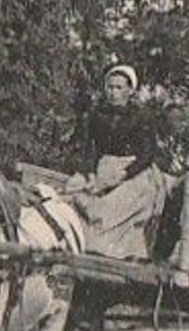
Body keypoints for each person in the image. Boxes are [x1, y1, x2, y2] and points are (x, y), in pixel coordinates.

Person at [67, 65, 168, 260]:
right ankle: (76, 238)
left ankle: (100, 243)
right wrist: (89, 173)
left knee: (116, 203)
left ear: (130, 91)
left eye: (119, 88)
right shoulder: (97, 115)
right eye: (110, 87)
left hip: (135, 171)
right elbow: (90, 148)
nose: (113, 92)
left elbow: (147, 153)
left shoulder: (142, 117)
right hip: (104, 168)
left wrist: (124, 173)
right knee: (73, 190)